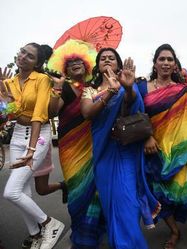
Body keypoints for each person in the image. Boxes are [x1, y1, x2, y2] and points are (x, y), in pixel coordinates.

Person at [80, 47, 159, 249]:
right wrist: (110, 92)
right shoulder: (90, 90)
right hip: (103, 154)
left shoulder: (126, 85)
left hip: (125, 153)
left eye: (112, 58)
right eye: (103, 58)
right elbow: (88, 113)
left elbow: (134, 110)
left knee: (127, 204)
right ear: (97, 65)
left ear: (118, 63)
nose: (107, 60)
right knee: (110, 207)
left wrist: (129, 89)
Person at [137, 44, 187, 249]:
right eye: (162, 59)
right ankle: (174, 230)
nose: (166, 63)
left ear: (175, 64)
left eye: (170, 59)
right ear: (155, 63)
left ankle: (177, 224)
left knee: (181, 192)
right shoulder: (142, 87)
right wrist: (146, 137)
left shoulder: (183, 90)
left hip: (180, 151)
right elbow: (135, 113)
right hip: (153, 149)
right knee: (158, 192)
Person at [2, 43, 65, 249]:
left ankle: (50, 224)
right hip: (17, 135)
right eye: (22, 52)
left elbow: (39, 115)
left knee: (11, 192)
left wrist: (31, 150)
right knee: (22, 190)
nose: (23, 57)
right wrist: (4, 96)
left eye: (29, 56)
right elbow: (10, 113)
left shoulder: (43, 80)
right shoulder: (9, 81)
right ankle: (36, 234)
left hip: (37, 136)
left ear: (37, 63)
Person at [46, 39, 105, 248]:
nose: (76, 65)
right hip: (70, 147)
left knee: (95, 189)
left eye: (79, 61)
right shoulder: (67, 88)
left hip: (93, 144)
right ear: (66, 69)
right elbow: (52, 112)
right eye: (71, 64)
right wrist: (57, 88)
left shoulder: (94, 88)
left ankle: (93, 230)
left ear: (87, 65)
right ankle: (80, 231)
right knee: (77, 189)